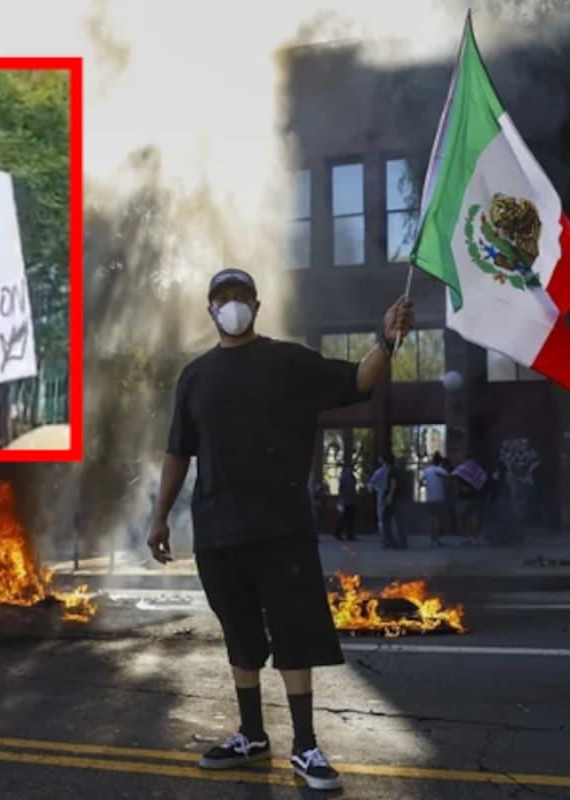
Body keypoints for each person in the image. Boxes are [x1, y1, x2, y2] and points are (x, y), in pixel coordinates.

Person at [147, 266, 414, 792]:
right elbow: (178, 450)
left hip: (280, 527)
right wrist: (159, 515)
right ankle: (251, 734)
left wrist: (387, 338)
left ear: (256, 303)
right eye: (222, 298)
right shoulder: (195, 376)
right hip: (218, 530)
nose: (232, 305)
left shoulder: (287, 361)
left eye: (240, 296)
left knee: (295, 633)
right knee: (240, 636)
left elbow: (358, 381)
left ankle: (306, 745)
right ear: (210, 309)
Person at [368, 455, 405, 549]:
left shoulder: (380, 471)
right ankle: (394, 539)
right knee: (393, 518)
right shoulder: (395, 470)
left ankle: (386, 540)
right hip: (393, 497)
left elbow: (371, 484)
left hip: (385, 496)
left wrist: (380, 491)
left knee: (383, 518)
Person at [422, 452, 450, 547]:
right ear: (440, 461)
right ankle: (437, 540)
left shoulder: (427, 470)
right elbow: (448, 480)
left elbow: (421, 480)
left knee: (431, 518)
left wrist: (427, 484)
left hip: (430, 497)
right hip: (439, 497)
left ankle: (432, 540)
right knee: (437, 519)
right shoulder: (442, 470)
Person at [333, 462, 358, 542]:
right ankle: (339, 532)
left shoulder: (351, 477)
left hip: (350, 500)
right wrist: (341, 498)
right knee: (344, 518)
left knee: (349, 518)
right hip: (346, 500)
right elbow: (341, 489)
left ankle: (349, 534)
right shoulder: (345, 477)